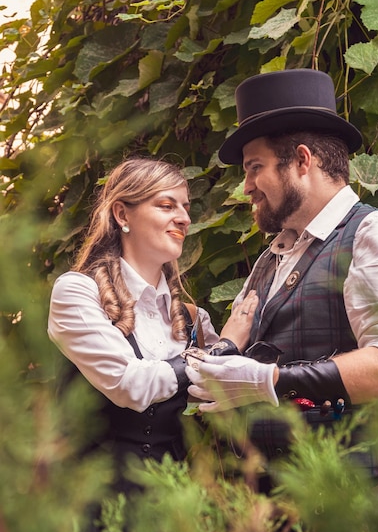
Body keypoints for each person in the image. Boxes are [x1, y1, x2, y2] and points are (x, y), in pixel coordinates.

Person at [186, 69, 378, 480]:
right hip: (277, 506)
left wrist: (269, 381)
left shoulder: (372, 233)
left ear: (302, 161)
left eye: (254, 167)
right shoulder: (271, 257)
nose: (246, 187)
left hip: (357, 498)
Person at [48, 156, 258, 481]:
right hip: (90, 507)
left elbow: (225, 393)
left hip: (174, 509)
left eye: (186, 208)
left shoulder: (191, 319)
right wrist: (222, 349)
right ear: (122, 214)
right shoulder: (77, 293)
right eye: (166, 205)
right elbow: (128, 384)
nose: (184, 218)